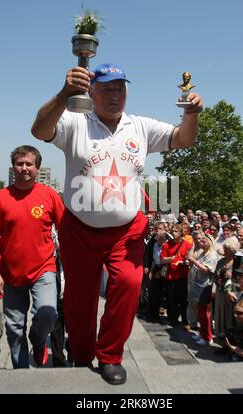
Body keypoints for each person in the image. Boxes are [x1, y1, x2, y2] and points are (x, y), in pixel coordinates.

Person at [31, 62, 203, 384]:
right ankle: (81, 353)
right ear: (92, 91)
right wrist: (64, 93)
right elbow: (39, 130)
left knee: (128, 284)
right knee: (79, 300)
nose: (115, 95)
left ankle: (110, 355)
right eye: (107, 88)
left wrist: (191, 114)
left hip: (127, 230)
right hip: (79, 230)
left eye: (120, 88)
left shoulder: (140, 126)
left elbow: (183, 140)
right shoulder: (75, 122)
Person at [0, 145, 65, 369]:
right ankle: (20, 371)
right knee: (14, 328)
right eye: (20, 164)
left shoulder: (49, 195)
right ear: (13, 168)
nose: (25, 168)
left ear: (37, 169)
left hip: (44, 268)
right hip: (11, 273)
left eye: (29, 164)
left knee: (48, 314)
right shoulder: (0, 198)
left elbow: (65, 231)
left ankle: (38, 341)